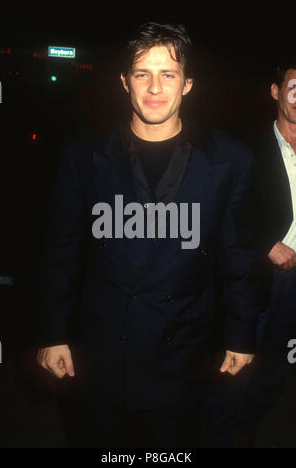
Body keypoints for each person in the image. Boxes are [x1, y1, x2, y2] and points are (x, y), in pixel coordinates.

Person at [37, 22, 261, 448]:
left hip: (184, 353)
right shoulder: (83, 156)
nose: (155, 87)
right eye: (142, 73)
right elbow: (60, 251)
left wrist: (241, 335)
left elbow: (236, 258)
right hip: (100, 352)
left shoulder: (230, 161)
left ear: (188, 84)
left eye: (168, 74)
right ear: (125, 82)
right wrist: (53, 332)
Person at [203, 54, 296, 448]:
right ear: (276, 92)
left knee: (277, 371)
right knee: (239, 369)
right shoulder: (245, 149)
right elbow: (220, 210)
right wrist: (264, 244)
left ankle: (248, 427)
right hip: (263, 283)